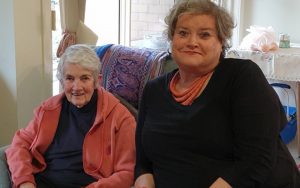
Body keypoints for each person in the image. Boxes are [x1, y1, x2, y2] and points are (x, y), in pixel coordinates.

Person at [134, 0, 300, 188]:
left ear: (221, 42)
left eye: (204, 35)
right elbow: (143, 161)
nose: (192, 42)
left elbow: (256, 160)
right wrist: (143, 179)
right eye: (183, 33)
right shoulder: (153, 90)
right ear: (172, 39)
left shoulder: (242, 77)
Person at [5, 44, 136, 188]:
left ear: (96, 81)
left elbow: (127, 172)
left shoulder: (120, 117)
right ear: (61, 81)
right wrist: (25, 182)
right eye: (69, 78)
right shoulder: (48, 109)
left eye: (84, 78)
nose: (76, 87)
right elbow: (19, 143)